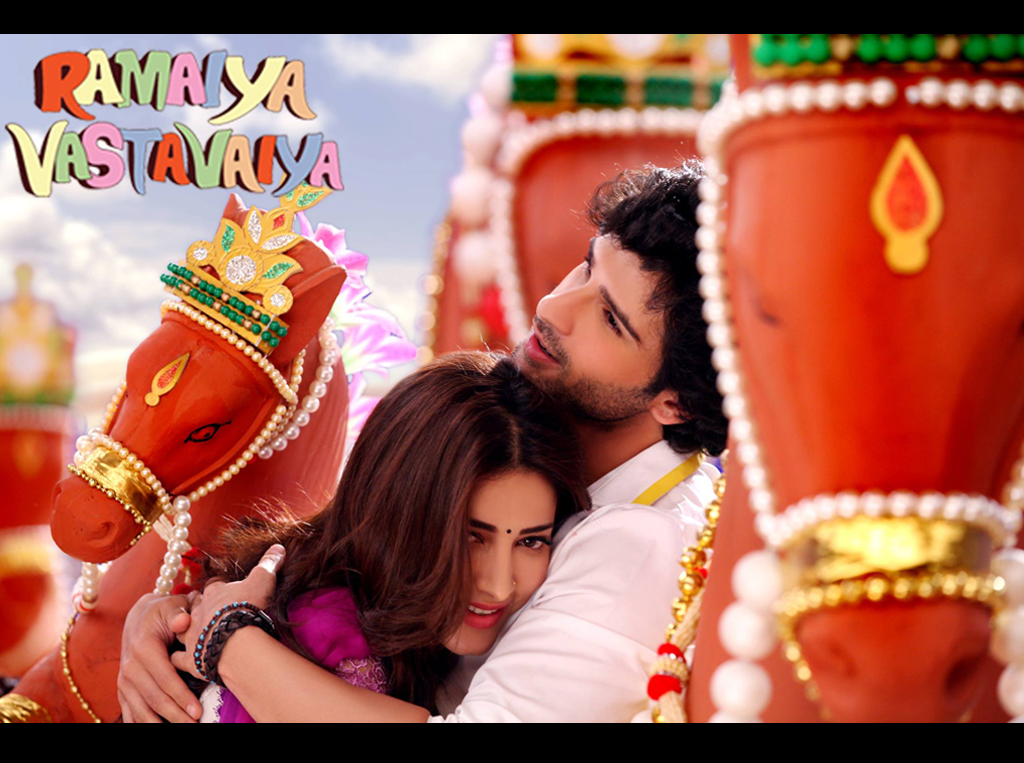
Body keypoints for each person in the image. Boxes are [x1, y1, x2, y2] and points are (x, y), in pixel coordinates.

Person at [118, 162, 728, 723]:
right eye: (587, 267)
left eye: (611, 320)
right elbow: (360, 561)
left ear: (676, 402)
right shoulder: (527, 443)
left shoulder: (640, 541)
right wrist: (168, 622)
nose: (553, 307)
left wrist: (229, 641)